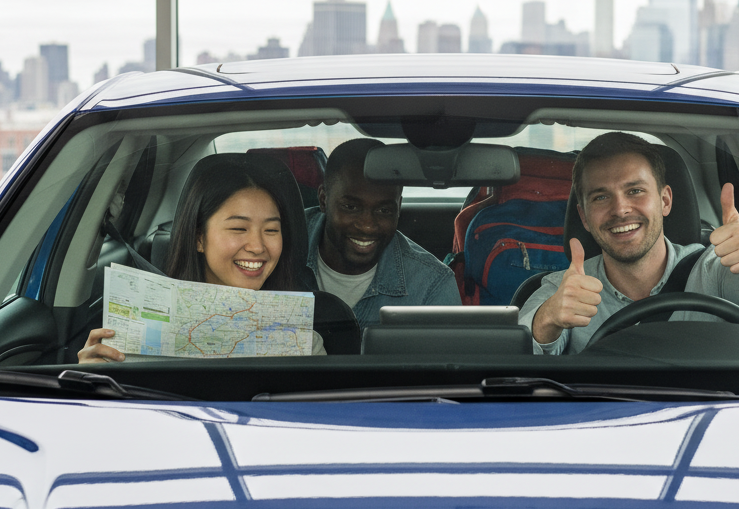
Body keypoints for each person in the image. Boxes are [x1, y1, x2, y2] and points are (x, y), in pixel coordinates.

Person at [520, 132, 739, 354]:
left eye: (634, 190)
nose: (620, 209)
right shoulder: (565, 288)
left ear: (665, 201)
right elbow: (519, 348)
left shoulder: (715, 270)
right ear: (583, 217)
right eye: (601, 197)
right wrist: (549, 320)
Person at [80, 153, 326, 361]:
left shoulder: (302, 342)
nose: (258, 246)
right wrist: (92, 381)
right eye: (239, 228)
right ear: (199, 238)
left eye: (271, 230)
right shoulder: (136, 332)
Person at [305, 137, 461, 326]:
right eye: (351, 207)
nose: (367, 225)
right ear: (323, 199)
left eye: (384, 210)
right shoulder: (275, 248)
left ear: (399, 207)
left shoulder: (431, 285)